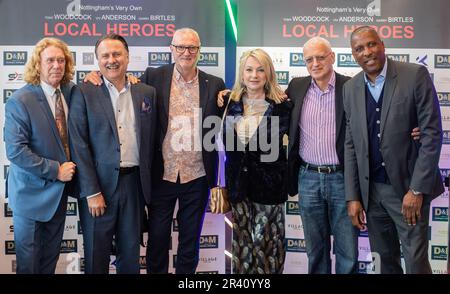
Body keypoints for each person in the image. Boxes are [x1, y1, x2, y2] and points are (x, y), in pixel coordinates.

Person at [85, 28, 225, 274]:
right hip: (161, 175)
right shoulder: (152, 76)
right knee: (158, 240)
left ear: (199, 51)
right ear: (171, 49)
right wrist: (94, 75)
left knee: (190, 242)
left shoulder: (214, 83)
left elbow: (233, 108)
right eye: (180, 47)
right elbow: (119, 80)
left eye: (192, 47)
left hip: (198, 176)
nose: (186, 52)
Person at [344, 26, 443, 274]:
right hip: (372, 193)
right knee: (383, 261)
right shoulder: (351, 88)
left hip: (409, 191)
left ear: (382, 44)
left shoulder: (414, 75)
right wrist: (353, 196)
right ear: (353, 55)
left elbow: (431, 134)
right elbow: (351, 144)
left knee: (416, 262)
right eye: (359, 49)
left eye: (371, 44)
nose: (367, 52)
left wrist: (417, 189)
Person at [69, 34, 157, 274]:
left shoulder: (146, 92)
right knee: (97, 257)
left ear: (127, 57)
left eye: (117, 54)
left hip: (134, 186)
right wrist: (92, 191)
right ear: (97, 61)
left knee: (130, 256)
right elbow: (79, 145)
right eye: (105, 55)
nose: (111, 60)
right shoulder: (84, 91)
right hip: (100, 188)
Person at [4, 37, 78, 273]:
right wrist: (56, 170)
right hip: (30, 197)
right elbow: (16, 151)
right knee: (30, 265)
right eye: (50, 60)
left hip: (57, 198)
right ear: (38, 64)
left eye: (61, 60)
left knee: (49, 262)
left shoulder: (70, 92)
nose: (56, 65)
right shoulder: (20, 100)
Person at [285, 37, 358, 274]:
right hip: (308, 178)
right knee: (315, 250)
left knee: (348, 251)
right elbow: (267, 103)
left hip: (342, 179)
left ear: (332, 57)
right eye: (309, 59)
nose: (315, 63)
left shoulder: (352, 87)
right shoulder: (296, 86)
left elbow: (374, 122)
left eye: (320, 57)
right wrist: (229, 96)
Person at [219, 49, 291, 274]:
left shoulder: (283, 105)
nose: (254, 75)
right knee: (243, 254)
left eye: (260, 70)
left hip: (269, 192)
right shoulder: (229, 104)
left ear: (268, 73)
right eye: (249, 70)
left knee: (269, 253)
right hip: (239, 191)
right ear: (242, 74)